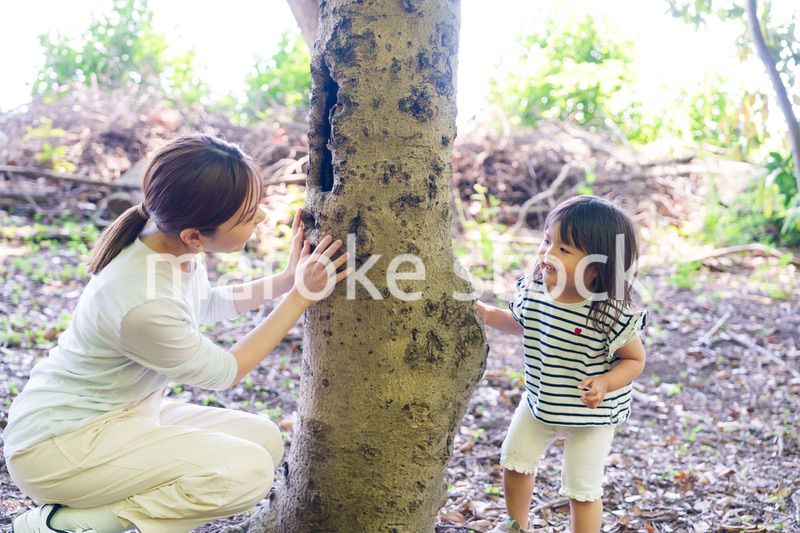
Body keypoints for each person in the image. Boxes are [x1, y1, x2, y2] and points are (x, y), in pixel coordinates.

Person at [4, 134, 350, 533]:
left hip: (124, 415)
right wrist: (299, 297)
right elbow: (225, 373)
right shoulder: (142, 303)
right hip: (59, 449)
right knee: (248, 471)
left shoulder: (168, 247)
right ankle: (69, 525)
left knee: (265, 440)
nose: (261, 219)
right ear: (193, 234)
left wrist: (285, 280)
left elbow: (206, 303)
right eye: (247, 215)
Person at [476, 195, 648, 533]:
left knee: (581, 489)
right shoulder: (537, 292)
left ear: (597, 267)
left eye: (564, 250)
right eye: (546, 240)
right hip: (541, 399)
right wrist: (489, 315)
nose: (547, 254)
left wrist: (605, 382)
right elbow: (524, 321)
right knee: (515, 461)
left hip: (592, 416)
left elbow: (634, 360)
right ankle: (516, 525)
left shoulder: (608, 312)